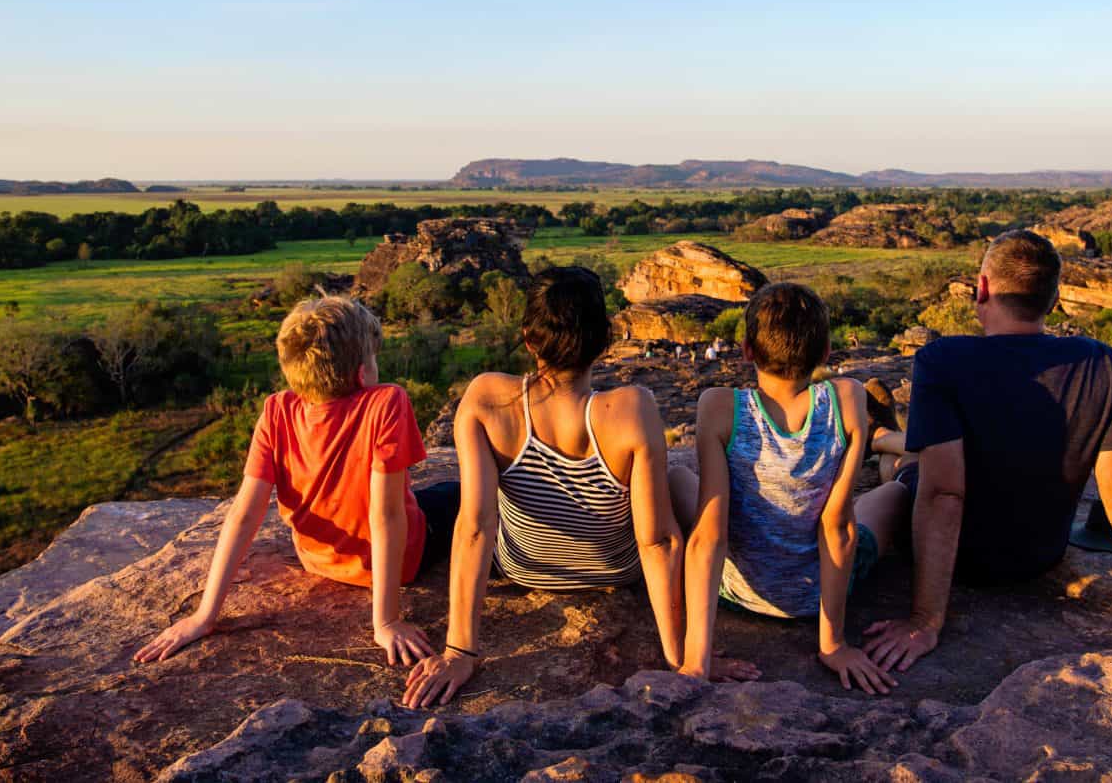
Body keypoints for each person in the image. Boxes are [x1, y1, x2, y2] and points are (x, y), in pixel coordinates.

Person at [862, 231, 1112, 673]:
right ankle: (887, 444)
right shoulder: (1100, 363)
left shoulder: (944, 360)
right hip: (1037, 559)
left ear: (983, 288)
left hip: (962, 563)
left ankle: (880, 444)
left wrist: (925, 620)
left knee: (905, 475)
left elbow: (945, 495)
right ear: (1055, 298)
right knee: (914, 462)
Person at [401, 267, 756, 709]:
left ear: (529, 338)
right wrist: (680, 655)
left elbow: (475, 528)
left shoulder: (487, 398)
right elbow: (658, 541)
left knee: (450, 494)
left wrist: (459, 651)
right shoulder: (632, 408)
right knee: (677, 480)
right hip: (617, 570)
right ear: (604, 341)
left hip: (523, 568)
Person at [134, 296, 446, 668]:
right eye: (374, 358)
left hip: (316, 560)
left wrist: (205, 616)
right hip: (401, 561)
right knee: (462, 494)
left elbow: (243, 515)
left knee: (427, 496)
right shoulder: (386, 402)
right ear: (362, 373)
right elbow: (387, 516)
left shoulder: (276, 410)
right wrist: (386, 622)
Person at [671, 283, 907, 695]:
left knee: (675, 477)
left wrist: (697, 659)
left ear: (746, 350)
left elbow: (710, 534)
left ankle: (890, 449)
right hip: (817, 594)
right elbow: (839, 529)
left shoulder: (721, 407)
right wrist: (832, 644)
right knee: (896, 494)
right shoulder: (847, 397)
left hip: (742, 592)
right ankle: (893, 454)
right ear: (825, 352)